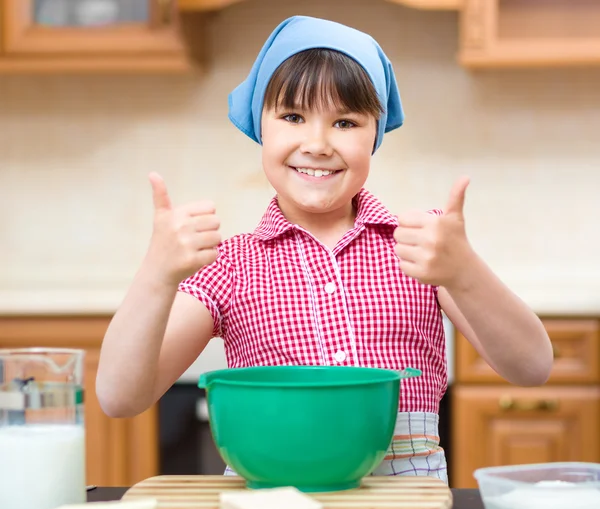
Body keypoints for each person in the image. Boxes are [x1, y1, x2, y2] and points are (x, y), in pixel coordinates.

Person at [96, 16, 553, 483]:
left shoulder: (421, 249)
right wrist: (156, 275)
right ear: (261, 125)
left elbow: (532, 367)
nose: (316, 144)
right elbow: (120, 398)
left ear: (374, 135)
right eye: (293, 117)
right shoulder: (229, 265)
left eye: (345, 122)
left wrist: (464, 273)